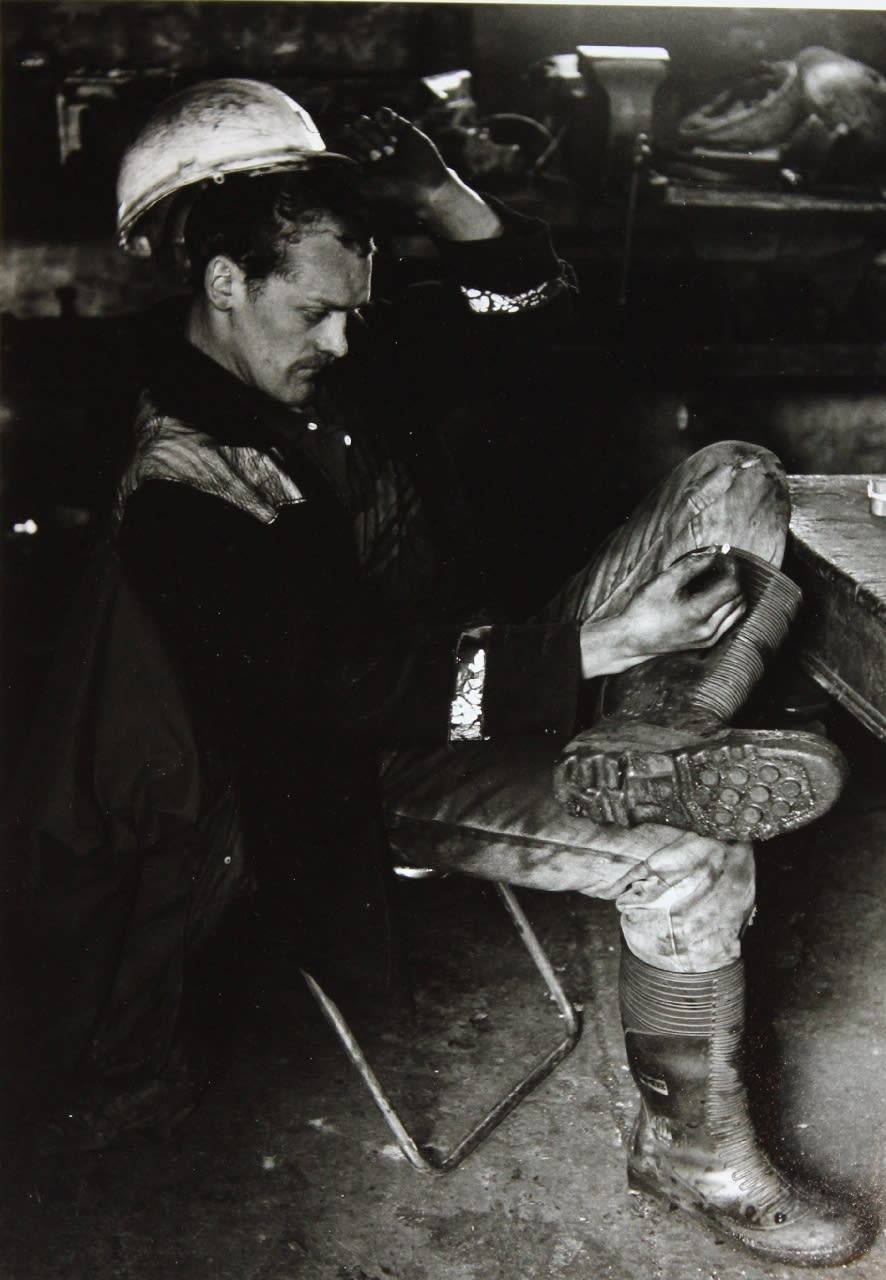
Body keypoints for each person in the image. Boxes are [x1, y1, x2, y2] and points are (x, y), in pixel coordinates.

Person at [8, 78, 871, 1266]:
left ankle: (651, 745)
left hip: (507, 665)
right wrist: (603, 649)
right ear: (224, 282)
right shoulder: (187, 491)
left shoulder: (336, 353)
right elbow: (347, 691)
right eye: (315, 312)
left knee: (734, 473)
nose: (345, 339)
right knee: (690, 856)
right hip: (377, 764)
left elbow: (552, 328)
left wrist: (442, 196)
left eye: (353, 308)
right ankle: (696, 1157)